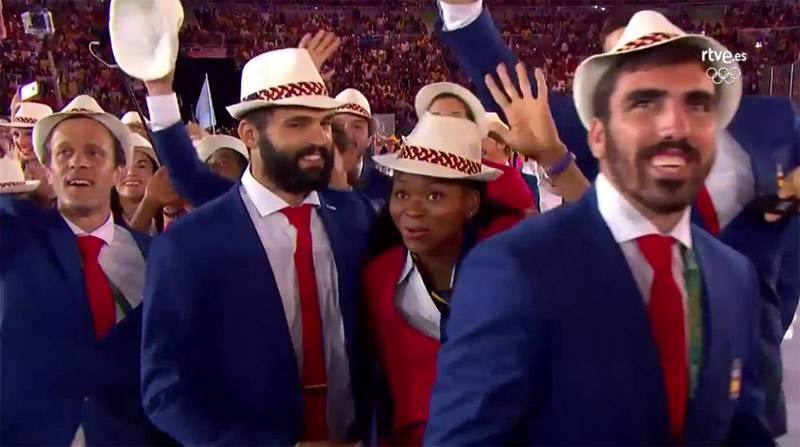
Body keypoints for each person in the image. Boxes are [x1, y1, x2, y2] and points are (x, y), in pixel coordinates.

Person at [439, 3, 799, 436]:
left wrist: (775, 303)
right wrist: (464, 11)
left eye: (696, 102)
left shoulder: (773, 125)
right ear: (598, 130)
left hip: (745, 340)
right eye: (643, 100)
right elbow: (506, 81)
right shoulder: (512, 271)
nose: (673, 125)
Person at [141, 48, 370, 445]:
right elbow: (166, 390)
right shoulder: (187, 246)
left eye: (323, 123)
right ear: (249, 135)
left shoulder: (356, 217)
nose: (317, 139)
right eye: (297, 124)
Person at [0, 95, 167, 444]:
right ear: (48, 169)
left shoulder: (156, 259)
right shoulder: (15, 237)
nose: (78, 163)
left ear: (119, 170)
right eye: (64, 153)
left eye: (94, 153)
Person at [364, 112, 525, 446]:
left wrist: (554, 157)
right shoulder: (379, 276)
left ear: (471, 203)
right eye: (402, 193)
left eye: (434, 195)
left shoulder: (509, 268)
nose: (412, 210)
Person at [334, 88, 393, 207]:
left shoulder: (387, 189)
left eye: (357, 127)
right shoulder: (313, 186)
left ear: (369, 139)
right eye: (339, 125)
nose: (347, 134)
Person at [111, 132, 164, 233]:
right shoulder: (97, 218)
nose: (131, 173)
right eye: (124, 165)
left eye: (141, 166)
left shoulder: (169, 214)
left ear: (154, 172)